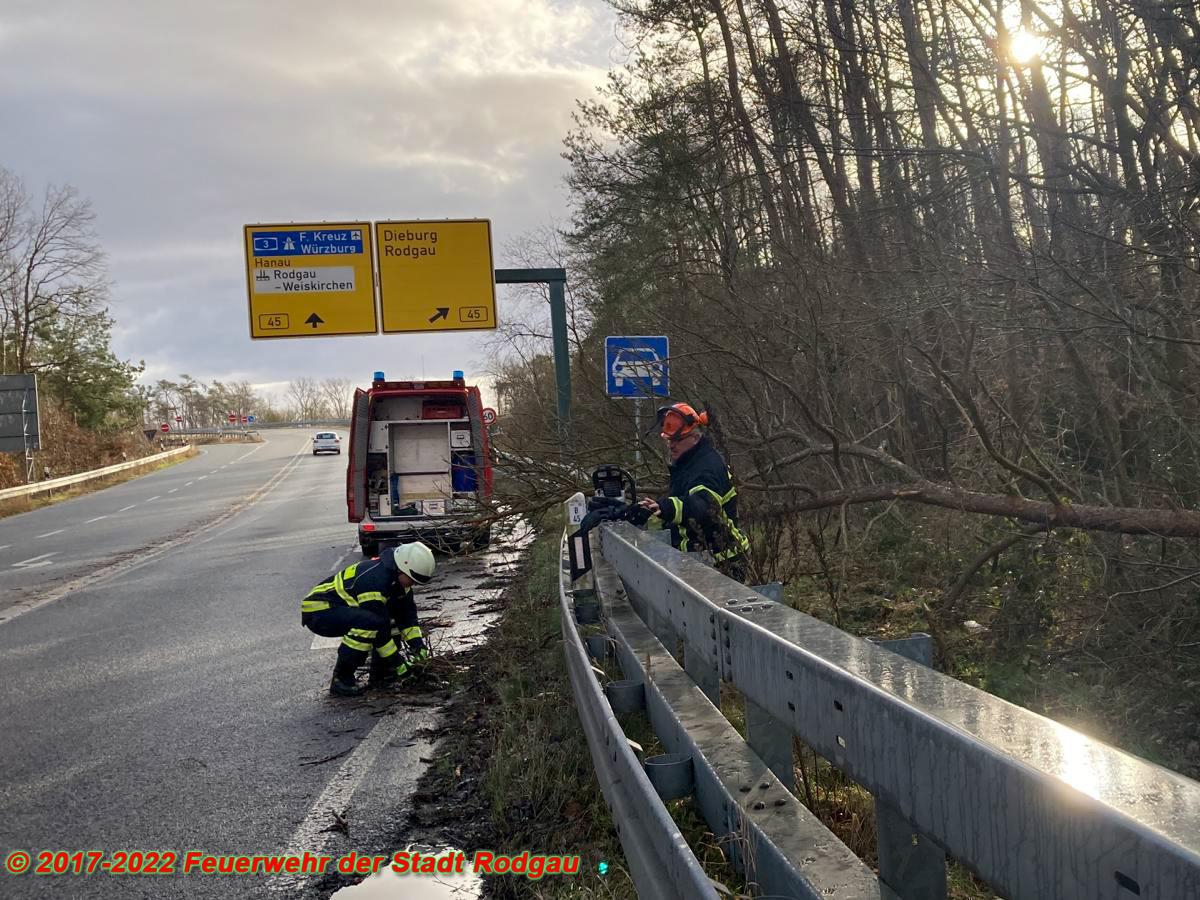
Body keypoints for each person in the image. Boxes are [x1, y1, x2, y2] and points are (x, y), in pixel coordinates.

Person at [301, 542, 436, 696]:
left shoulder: (398, 582)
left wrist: (418, 646)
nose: (413, 584)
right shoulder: (375, 580)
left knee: (388, 623)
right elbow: (379, 631)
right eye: (412, 580)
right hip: (319, 610)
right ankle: (341, 680)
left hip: (338, 609)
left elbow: (406, 617)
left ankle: (381, 674)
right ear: (402, 568)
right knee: (368, 625)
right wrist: (397, 663)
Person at [638, 402, 750, 583]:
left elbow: (702, 506)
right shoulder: (687, 462)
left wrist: (667, 508)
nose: (671, 445)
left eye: (677, 440)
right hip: (702, 558)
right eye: (669, 440)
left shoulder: (707, 466)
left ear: (695, 438)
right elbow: (683, 504)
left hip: (723, 561)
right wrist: (654, 512)